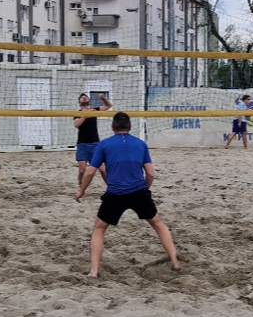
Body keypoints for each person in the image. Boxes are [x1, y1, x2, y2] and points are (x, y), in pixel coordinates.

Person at [74, 112, 180, 278]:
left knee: (99, 228)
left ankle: (94, 271)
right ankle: (174, 260)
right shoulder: (140, 144)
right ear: (130, 127)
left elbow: (90, 172)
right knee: (158, 223)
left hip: (115, 194)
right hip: (139, 192)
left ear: (112, 127)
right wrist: (145, 190)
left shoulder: (104, 144)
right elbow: (150, 173)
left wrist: (81, 190)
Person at [73, 92, 112, 187]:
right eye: (82, 97)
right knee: (82, 170)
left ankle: (111, 187)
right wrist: (86, 114)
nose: (84, 98)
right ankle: (80, 186)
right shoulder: (78, 113)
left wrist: (103, 98)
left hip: (95, 144)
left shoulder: (94, 110)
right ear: (79, 103)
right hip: (82, 144)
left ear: (89, 100)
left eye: (85, 96)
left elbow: (109, 106)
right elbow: (76, 124)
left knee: (102, 169)